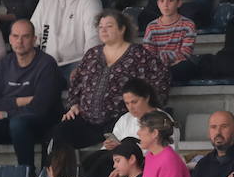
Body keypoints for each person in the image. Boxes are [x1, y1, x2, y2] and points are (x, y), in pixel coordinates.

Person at [52, 9, 168, 149]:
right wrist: (74, 105)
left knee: (117, 147)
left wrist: (149, 107)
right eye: (100, 27)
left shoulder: (138, 54)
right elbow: (77, 82)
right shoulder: (92, 54)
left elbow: (161, 76)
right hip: (86, 120)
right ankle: (59, 171)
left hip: (119, 121)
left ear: (122, 29)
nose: (103, 30)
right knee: (60, 131)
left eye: (109, 26)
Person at [0, 19, 62, 169]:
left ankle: (26, 176)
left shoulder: (47, 64)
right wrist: (23, 101)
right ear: (9, 39)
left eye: (25, 36)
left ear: (34, 40)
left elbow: (41, 106)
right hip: (8, 121)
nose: (19, 41)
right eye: (15, 36)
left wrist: (7, 113)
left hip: (39, 123)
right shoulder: (5, 63)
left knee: (18, 123)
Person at [29, 0, 101, 73]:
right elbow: (32, 32)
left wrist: (84, 66)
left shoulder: (89, 0)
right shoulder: (46, 0)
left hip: (77, 64)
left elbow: (94, 39)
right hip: (47, 63)